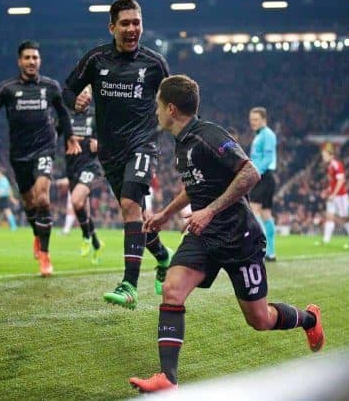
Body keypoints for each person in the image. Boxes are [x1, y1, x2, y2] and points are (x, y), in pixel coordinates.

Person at [129, 75, 324, 393]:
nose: (156, 112)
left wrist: (209, 211)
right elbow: (195, 186)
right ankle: (168, 379)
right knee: (172, 289)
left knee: (259, 319)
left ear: (172, 108)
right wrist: (165, 214)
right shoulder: (182, 143)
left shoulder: (208, 135)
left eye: (158, 106)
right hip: (203, 236)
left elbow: (251, 172)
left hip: (238, 238)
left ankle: (310, 320)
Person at [63, 0, 172, 307]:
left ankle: (129, 285)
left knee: (128, 205)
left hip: (143, 145)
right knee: (138, 214)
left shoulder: (154, 64)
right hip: (109, 153)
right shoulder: (96, 59)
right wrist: (75, 100)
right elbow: (67, 88)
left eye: (136, 22)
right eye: (125, 23)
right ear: (112, 27)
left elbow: (177, 101)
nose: (131, 28)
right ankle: (164, 258)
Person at [0, 40, 81, 277]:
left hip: (44, 148)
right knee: (29, 203)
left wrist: (70, 137)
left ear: (39, 61)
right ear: (19, 61)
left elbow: (63, 113)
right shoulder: (7, 88)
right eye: (27, 58)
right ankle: (37, 234)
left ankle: (44, 255)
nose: (32, 61)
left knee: (42, 198)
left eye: (35, 57)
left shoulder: (50, 86)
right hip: (19, 154)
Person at [62, 85, 103, 263]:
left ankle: (86, 236)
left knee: (76, 201)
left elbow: (107, 139)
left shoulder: (95, 115)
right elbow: (52, 133)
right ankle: (95, 242)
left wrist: (98, 142)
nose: (84, 96)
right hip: (72, 167)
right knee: (81, 209)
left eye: (87, 93)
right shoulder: (66, 116)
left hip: (90, 166)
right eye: (81, 92)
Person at [248, 107, 277, 261]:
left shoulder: (267, 135)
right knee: (266, 214)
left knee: (254, 211)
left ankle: (263, 243)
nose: (253, 122)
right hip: (265, 176)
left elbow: (267, 158)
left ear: (264, 120)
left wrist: (255, 172)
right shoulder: (262, 135)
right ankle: (271, 253)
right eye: (251, 120)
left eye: (256, 120)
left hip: (263, 176)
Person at [320, 143, 349, 247]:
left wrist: (334, 194)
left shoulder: (337, 165)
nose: (323, 157)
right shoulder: (330, 166)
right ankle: (326, 240)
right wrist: (327, 191)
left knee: (344, 218)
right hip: (333, 195)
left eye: (324, 155)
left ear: (330, 155)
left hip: (341, 196)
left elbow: (341, 181)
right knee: (329, 216)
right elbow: (333, 183)